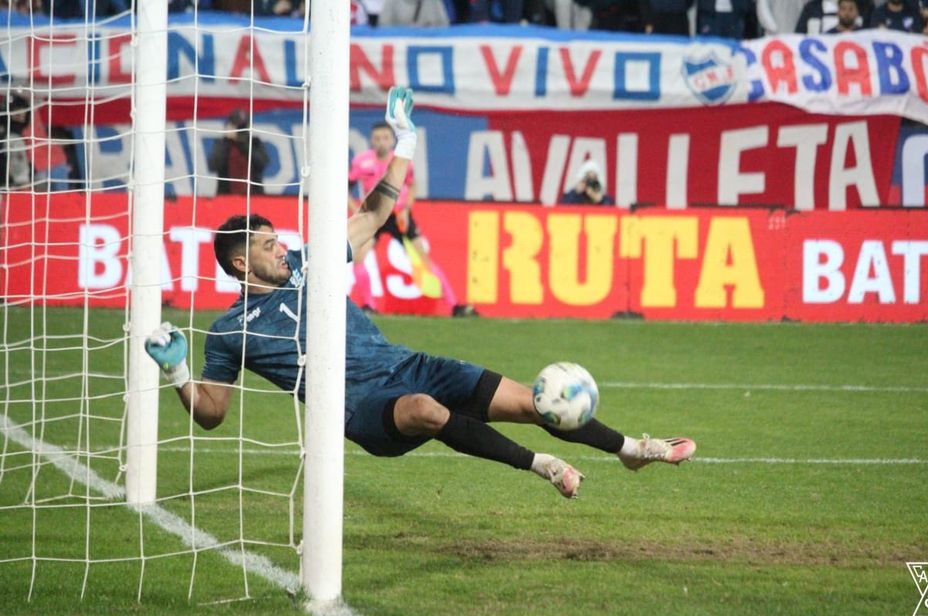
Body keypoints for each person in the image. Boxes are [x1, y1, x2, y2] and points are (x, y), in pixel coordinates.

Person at [144, 87, 696, 500]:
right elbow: (213, 413)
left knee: (534, 402)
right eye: (269, 245)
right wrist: (178, 374)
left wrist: (404, 139)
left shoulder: (312, 262)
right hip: (364, 409)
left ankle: (632, 450)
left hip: (412, 363)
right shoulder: (230, 331)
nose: (283, 247)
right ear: (242, 263)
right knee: (427, 411)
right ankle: (543, 467)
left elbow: (376, 212)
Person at [348, 120, 476, 317]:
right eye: (377, 138)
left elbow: (411, 185)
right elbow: (345, 187)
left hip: (399, 215)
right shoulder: (361, 162)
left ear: (392, 140)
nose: (381, 142)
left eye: (385, 138)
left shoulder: (400, 161)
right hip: (374, 216)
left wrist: (407, 209)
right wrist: (356, 209)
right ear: (371, 141)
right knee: (358, 258)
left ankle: (454, 305)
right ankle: (368, 306)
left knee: (423, 258)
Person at [208, 108, 270, 196]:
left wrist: (244, 144)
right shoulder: (223, 143)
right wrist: (227, 141)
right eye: (236, 126)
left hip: (254, 196)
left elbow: (262, 163)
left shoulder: (255, 143)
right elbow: (213, 165)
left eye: (242, 127)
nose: (239, 130)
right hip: (226, 196)